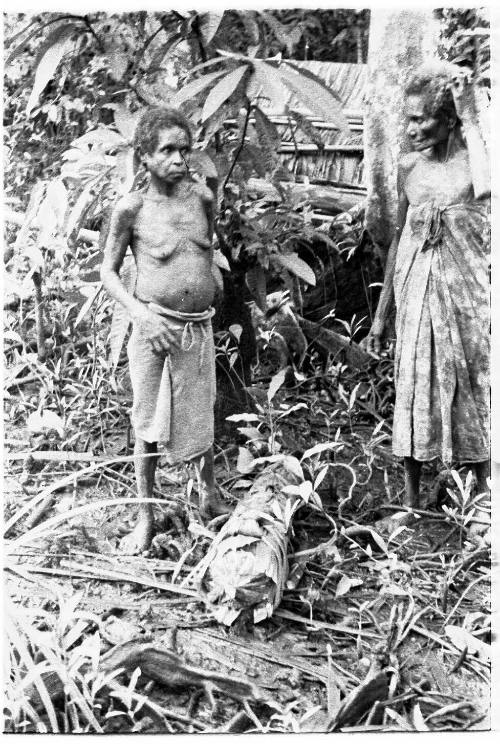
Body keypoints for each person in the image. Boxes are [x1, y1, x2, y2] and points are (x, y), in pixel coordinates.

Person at [101, 106, 230, 554]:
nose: (179, 160)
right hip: (153, 330)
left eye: (184, 150)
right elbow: (109, 273)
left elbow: (208, 251)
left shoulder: (203, 199)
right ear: (144, 157)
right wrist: (141, 314)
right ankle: (146, 514)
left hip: (197, 329)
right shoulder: (131, 210)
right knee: (147, 424)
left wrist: (206, 287)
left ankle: (210, 496)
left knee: (201, 415)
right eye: (167, 151)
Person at [365, 62, 490, 509]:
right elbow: (400, 239)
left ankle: (481, 497)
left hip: (467, 301)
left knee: (474, 384)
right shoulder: (408, 167)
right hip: (416, 296)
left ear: (450, 119)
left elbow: (489, 187)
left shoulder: (476, 169)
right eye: (410, 118)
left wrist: (472, 113)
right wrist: (382, 317)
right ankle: (412, 501)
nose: (413, 128)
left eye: (422, 119)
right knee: (413, 385)